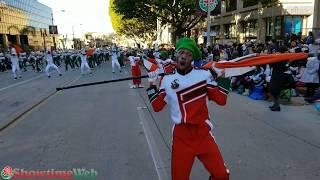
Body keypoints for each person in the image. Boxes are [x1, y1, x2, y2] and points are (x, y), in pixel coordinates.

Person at [146, 38, 230, 180]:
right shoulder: (167, 80)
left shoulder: (204, 75)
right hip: (182, 136)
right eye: (181, 52)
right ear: (176, 55)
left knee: (222, 175)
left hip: (202, 133)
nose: (184, 56)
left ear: (192, 59)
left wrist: (223, 77)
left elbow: (221, 101)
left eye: (189, 54)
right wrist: (152, 85)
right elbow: (157, 106)